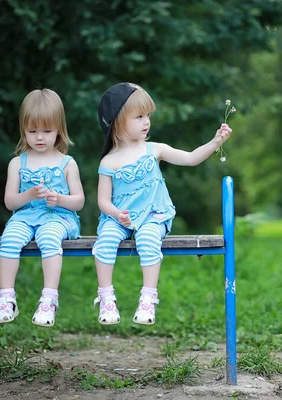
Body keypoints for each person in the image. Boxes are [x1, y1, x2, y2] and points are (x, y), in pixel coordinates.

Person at [92, 82, 232, 325]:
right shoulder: (109, 162)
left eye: (147, 115)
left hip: (152, 216)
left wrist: (214, 143)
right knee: (104, 242)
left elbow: (189, 159)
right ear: (117, 121)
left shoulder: (154, 150)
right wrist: (116, 214)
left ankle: (148, 299)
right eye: (138, 116)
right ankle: (106, 298)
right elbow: (103, 201)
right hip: (119, 218)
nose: (146, 121)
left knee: (147, 240)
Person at [0, 88, 85, 327]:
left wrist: (59, 199)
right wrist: (29, 194)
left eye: (47, 131)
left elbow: (79, 201)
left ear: (59, 130)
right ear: (24, 130)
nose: (40, 137)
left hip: (58, 217)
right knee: (9, 239)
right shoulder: (17, 163)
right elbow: (10, 202)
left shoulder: (67, 163)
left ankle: (49, 299)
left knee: (49, 238)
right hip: (25, 217)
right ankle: (6, 299)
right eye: (32, 131)